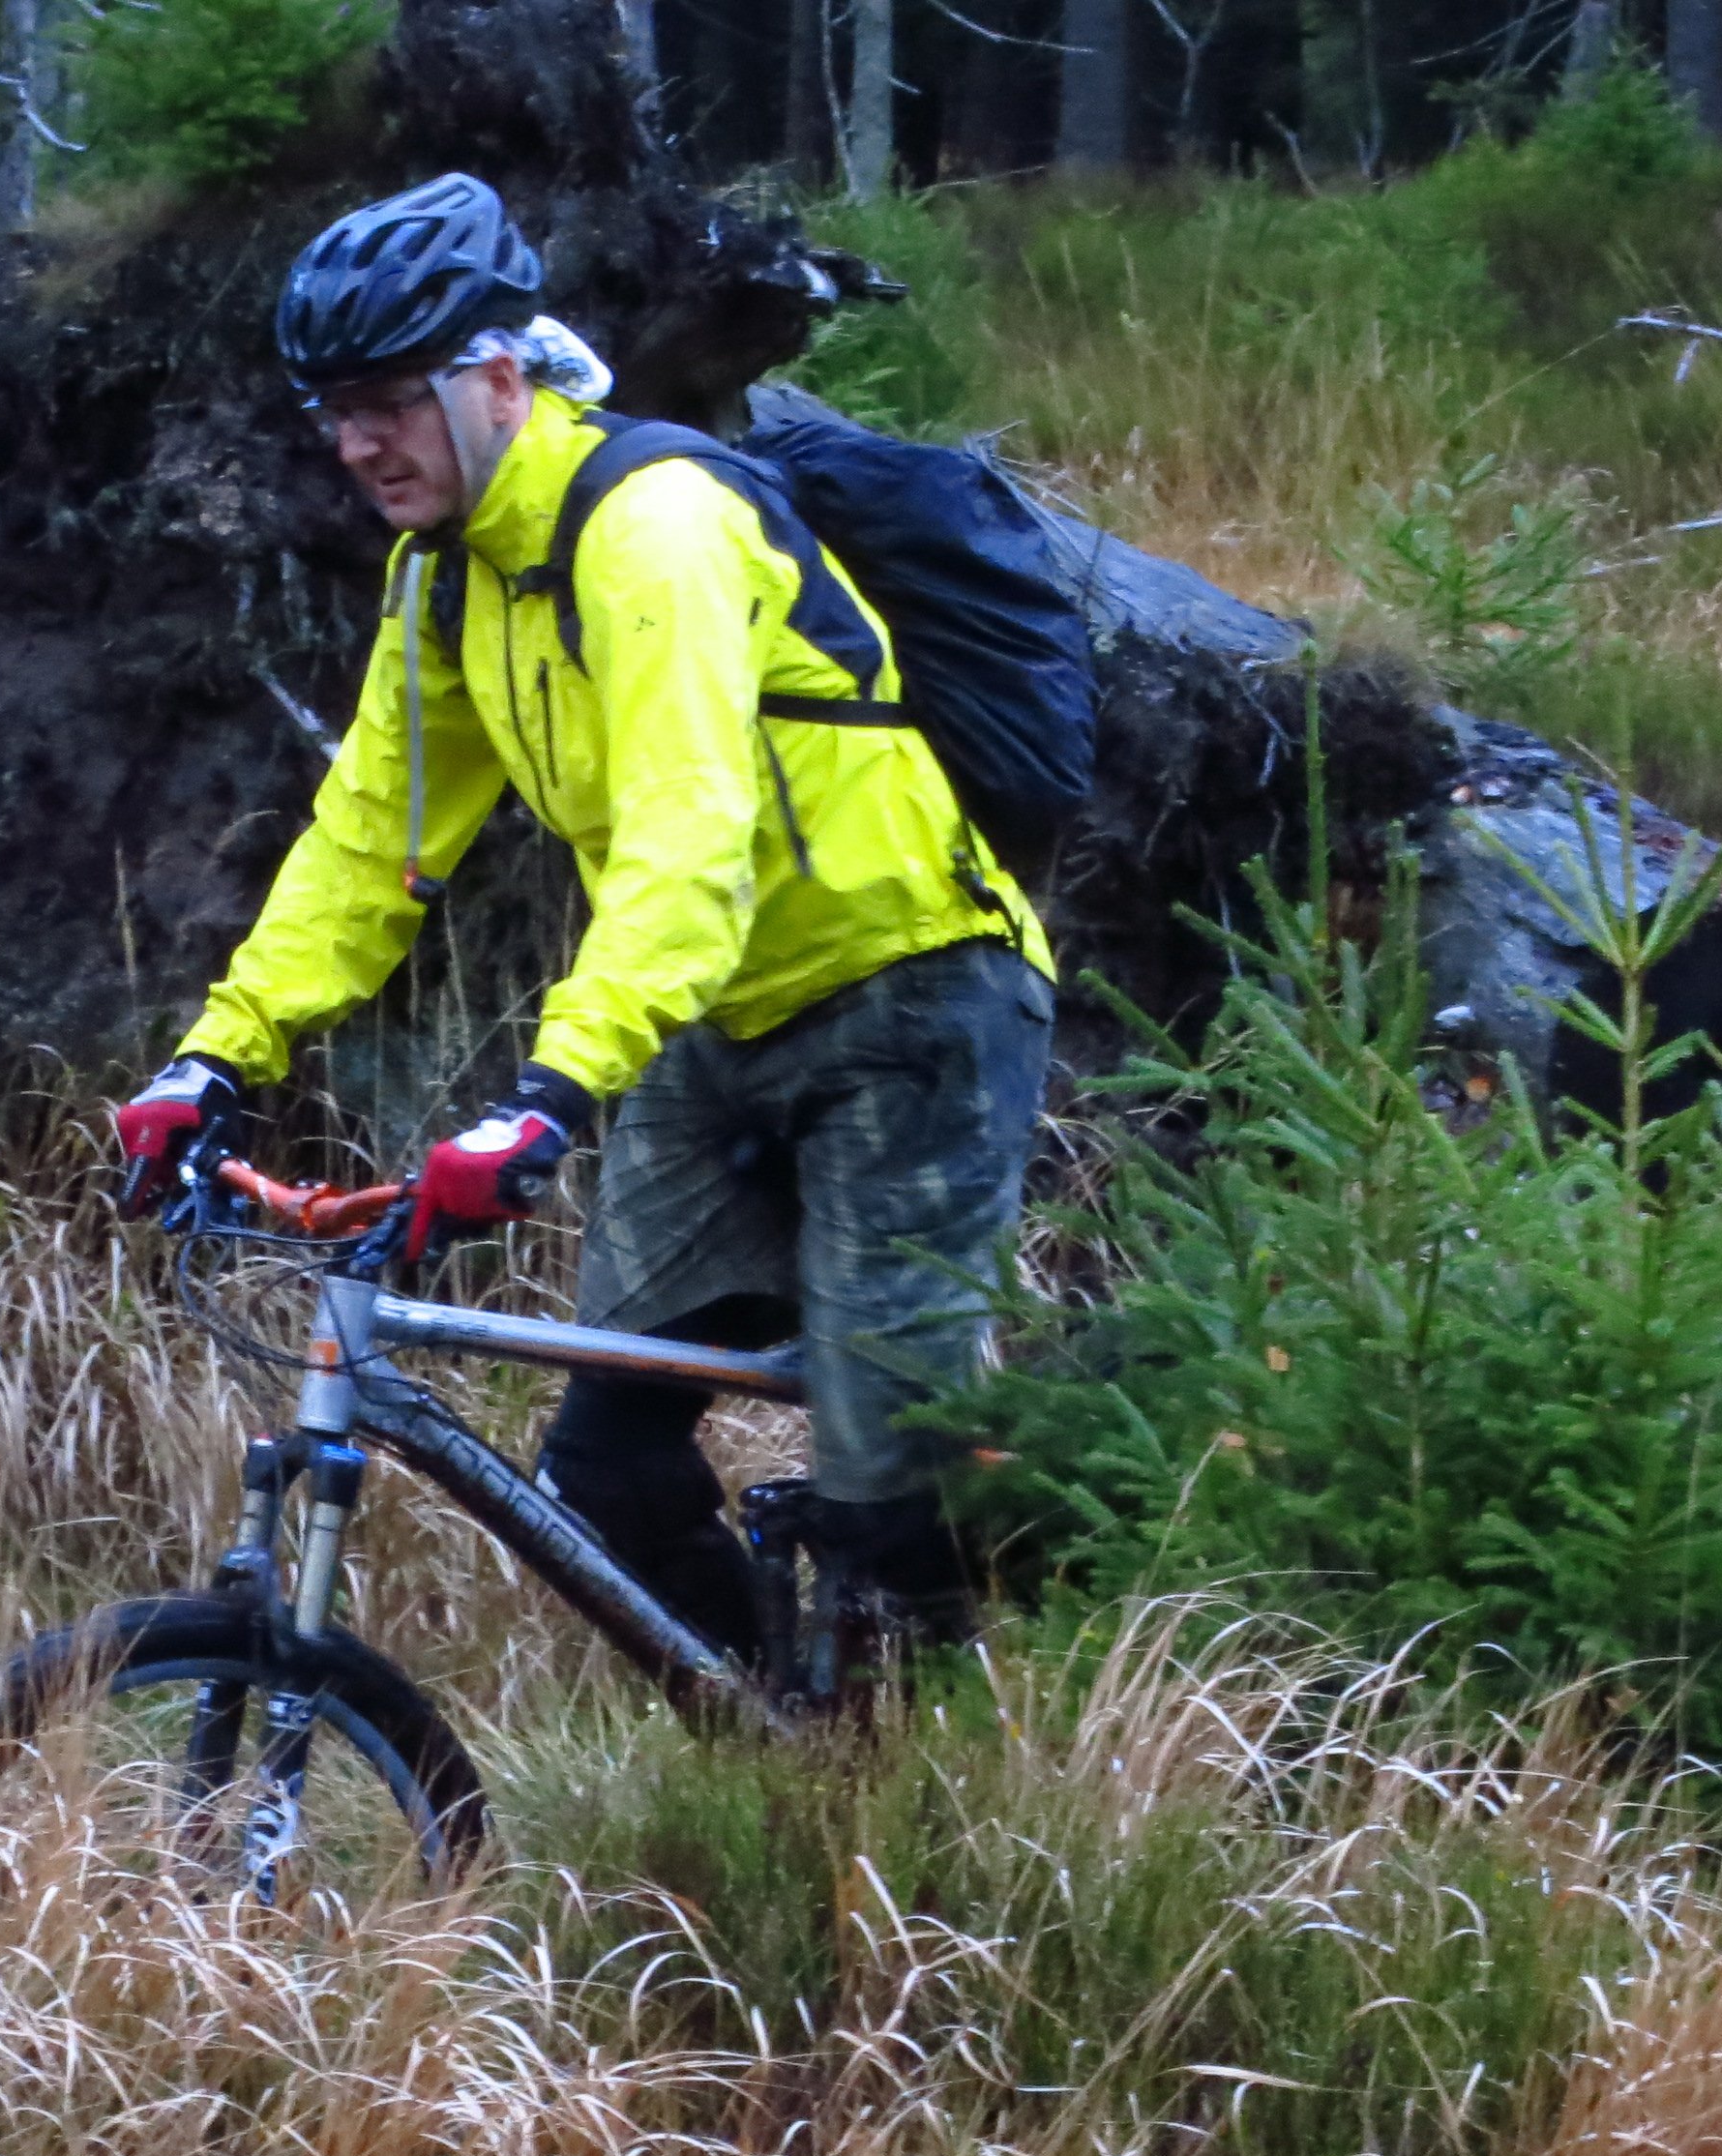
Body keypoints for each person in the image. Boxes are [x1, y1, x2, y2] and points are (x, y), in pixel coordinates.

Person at [111, 171, 1055, 1654]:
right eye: (335, 411)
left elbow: (692, 833)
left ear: (498, 376)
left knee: (889, 1490)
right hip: (714, 1018)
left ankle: (952, 1738)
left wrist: (549, 1095)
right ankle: (784, 1744)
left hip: (912, 998)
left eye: (391, 401)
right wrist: (216, 1056)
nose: (358, 444)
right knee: (605, 1471)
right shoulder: (451, 577)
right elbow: (368, 847)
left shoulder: (653, 528)